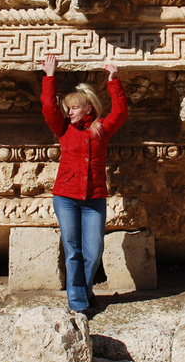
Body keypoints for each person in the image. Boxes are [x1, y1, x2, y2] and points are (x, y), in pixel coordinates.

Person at [40, 53, 128, 312]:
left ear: (89, 107)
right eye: (68, 109)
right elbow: (48, 108)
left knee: (93, 251)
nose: (69, 112)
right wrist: (49, 76)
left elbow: (120, 111)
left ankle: (85, 293)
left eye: (74, 107)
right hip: (65, 197)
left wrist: (114, 80)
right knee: (73, 250)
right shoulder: (63, 129)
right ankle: (78, 304)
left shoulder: (101, 129)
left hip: (94, 198)